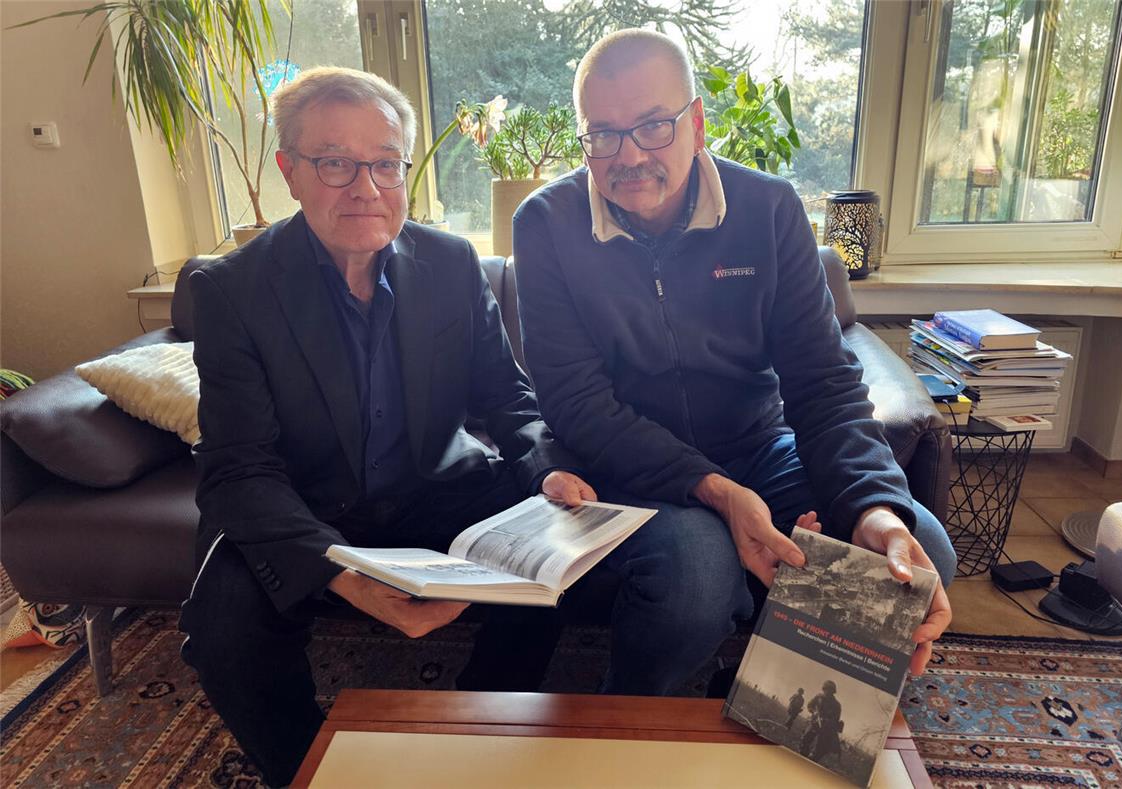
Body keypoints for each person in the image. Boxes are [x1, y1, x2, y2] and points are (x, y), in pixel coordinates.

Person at [178, 66, 594, 786]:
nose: (365, 187)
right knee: (223, 631)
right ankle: (308, 767)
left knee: (547, 550)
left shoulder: (451, 264)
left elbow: (508, 398)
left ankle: (479, 727)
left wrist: (545, 467)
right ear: (290, 171)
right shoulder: (231, 290)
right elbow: (239, 468)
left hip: (434, 490)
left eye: (385, 163)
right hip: (303, 510)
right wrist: (339, 571)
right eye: (335, 163)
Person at [512, 29, 956, 697]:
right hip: (627, 467)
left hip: (758, 446)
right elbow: (577, 405)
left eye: (652, 126)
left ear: (696, 122)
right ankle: (628, 714)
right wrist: (718, 492)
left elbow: (823, 383)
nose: (628, 155)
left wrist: (873, 506)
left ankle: (780, 703)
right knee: (697, 574)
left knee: (920, 551)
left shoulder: (769, 209)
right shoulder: (546, 223)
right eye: (602, 134)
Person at [801, 681, 843, 761]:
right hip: (815, 722)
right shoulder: (819, 697)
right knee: (805, 739)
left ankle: (812, 759)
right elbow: (810, 705)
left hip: (826, 728)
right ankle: (803, 755)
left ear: (833, 691)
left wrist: (827, 720)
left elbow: (836, 719)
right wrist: (814, 711)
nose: (827, 691)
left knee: (820, 748)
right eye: (826, 689)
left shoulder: (836, 705)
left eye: (830, 690)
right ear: (824, 689)